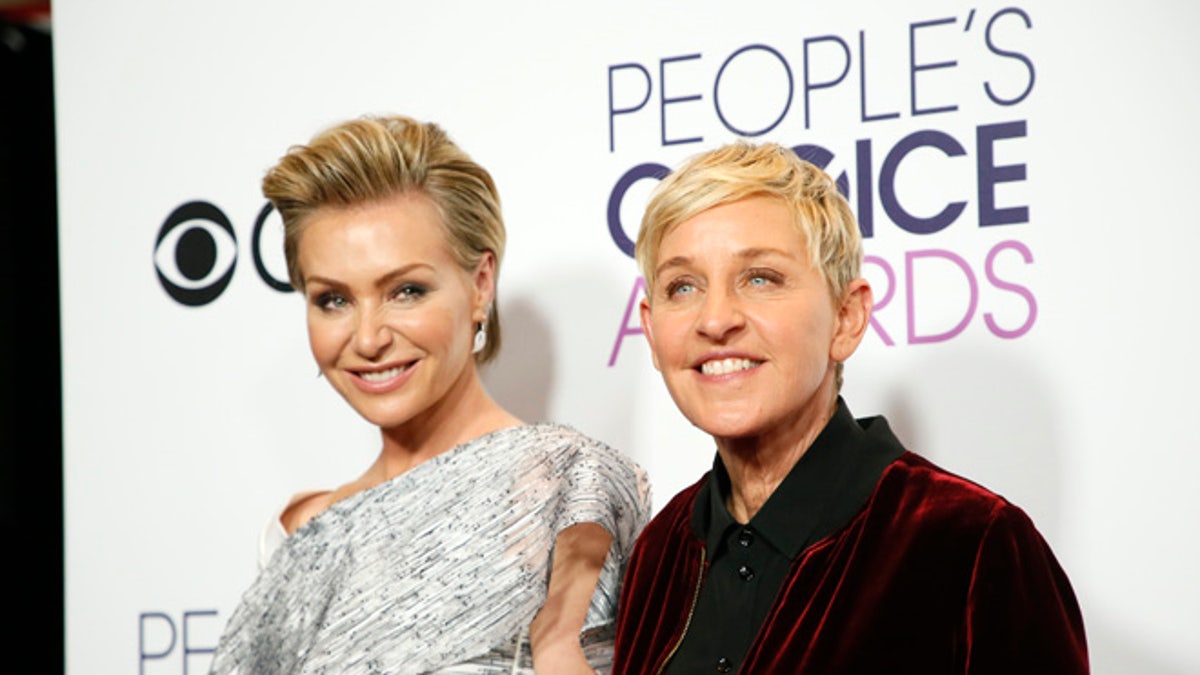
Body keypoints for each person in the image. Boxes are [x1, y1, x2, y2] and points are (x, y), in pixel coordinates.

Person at [612, 142, 1088, 674]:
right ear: (652, 333)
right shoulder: (660, 552)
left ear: (846, 317)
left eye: (760, 278)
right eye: (683, 286)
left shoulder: (970, 544)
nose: (716, 319)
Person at [209, 115, 650, 675]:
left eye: (406, 291)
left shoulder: (566, 489)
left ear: (480, 285)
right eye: (333, 300)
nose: (368, 338)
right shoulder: (300, 536)